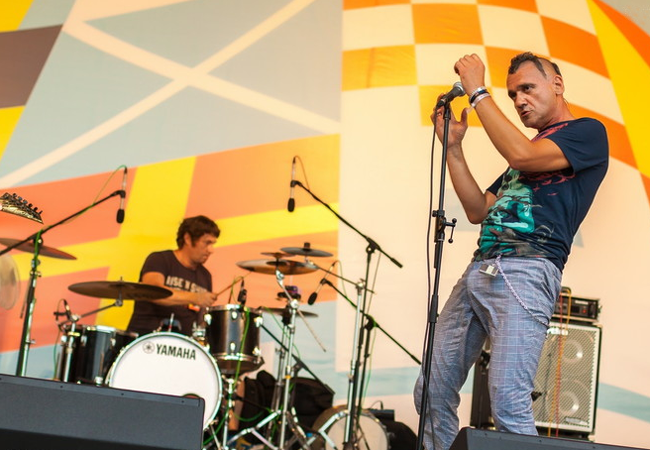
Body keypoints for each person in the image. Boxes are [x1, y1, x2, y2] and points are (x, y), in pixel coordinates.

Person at [414, 52, 608, 450]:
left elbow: (522, 155)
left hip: (527, 270)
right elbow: (477, 210)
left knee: (507, 402)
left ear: (557, 84)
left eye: (527, 88)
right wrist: (453, 148)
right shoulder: (526, 154)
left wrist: (478, 91)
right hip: (479, 271)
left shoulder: (586, 133)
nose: (519, 100)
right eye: (513, 94)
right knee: (431, 390)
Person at [127, 215, 220, 336]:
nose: (211, 250)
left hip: (183, 343)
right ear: (187, 238)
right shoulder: (160, 259)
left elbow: (200, 320)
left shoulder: (205, 275)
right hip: (147, 338)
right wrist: (195, 297)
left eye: (213, 244)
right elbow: (152, 292)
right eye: (207, 243)